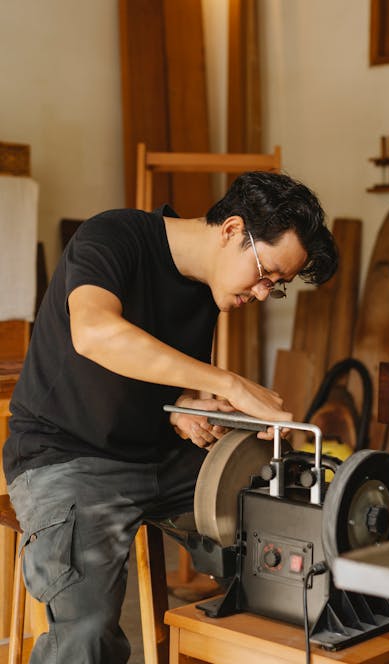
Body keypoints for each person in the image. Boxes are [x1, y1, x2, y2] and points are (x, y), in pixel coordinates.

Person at [4, 170, 338, 664]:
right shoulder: (113, 236)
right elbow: (94, 334)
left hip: (160, 458)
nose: (264, 293)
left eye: (278, 285)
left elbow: (147, 374)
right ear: (231, 230)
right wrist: (227, 382)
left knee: (292, 535)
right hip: (67, 460)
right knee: (88, 633)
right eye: (265, 274)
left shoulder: (209, 285)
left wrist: (183, 406)